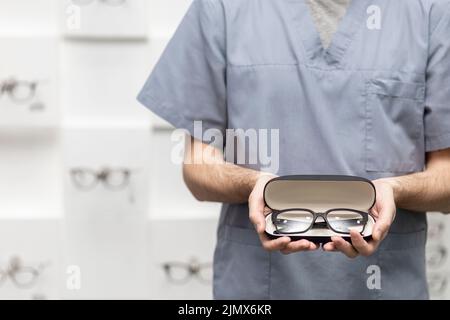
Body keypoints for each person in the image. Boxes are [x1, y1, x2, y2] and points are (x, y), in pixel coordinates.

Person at [138, 0, 450, 299]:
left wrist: (393, 189)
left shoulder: (431, 12)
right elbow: (198, 166)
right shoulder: (222, 7)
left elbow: (446, 176)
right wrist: (255, 185)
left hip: (386, 286)